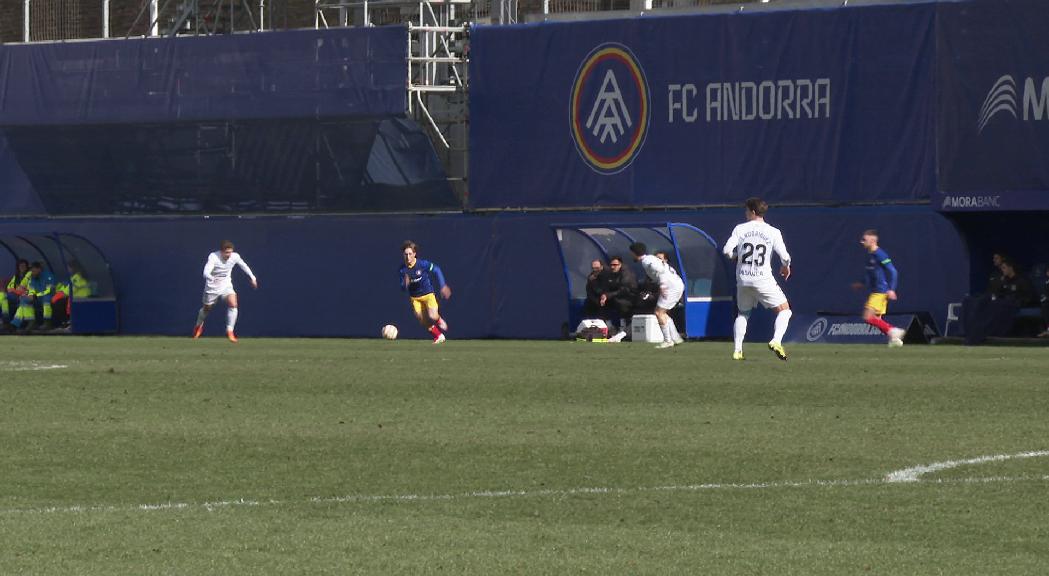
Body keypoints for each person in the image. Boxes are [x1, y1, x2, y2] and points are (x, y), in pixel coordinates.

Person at [722, 197, 792, 361]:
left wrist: (735, 257)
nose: (745, 213)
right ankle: (776, 341)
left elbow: (726, 251)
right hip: (762, 278)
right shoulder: (773, 231)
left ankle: (738, 350)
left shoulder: (740, 229)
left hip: (743, 279)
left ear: (753, 211)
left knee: (743, 314)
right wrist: (785, 265)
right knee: (785, 311)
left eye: (746, 210)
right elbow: (785, 256)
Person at [193, 240, 258, 343]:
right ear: (221, 251)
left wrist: (252, 277)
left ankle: (230, 331)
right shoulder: (213, 256)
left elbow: (243, 265)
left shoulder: (235, 256)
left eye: (230, 252)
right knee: (207, 309)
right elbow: (206, 271)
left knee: (233, 303)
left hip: (226, 286)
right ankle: (198, 325)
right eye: (226, 252)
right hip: (212, 287)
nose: (229, 255)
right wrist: (210, 278)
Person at [851, 229, 907, 347]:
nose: (861, 242)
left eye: (864, 239)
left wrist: (892, 289)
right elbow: (869, 274)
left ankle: (893, 330)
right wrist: (861, 283)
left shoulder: (880, 254)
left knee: (867, 317)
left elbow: (893, 271)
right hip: (875, 291)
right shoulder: (869, 255)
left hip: (880, 292)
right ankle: (895, 340)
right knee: (877, 320)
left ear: (872, 240)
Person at [629, 242, 684, 349]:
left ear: (634, 253)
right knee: (663, 312)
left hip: (670, 286)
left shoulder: (647, 260)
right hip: (677, 284)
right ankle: (676, 338)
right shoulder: (651, 258)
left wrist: (663, 286)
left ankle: (668, 341)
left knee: (659, 313)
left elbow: (660, 270)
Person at [399, 240, 451, 344]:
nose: (408, 257)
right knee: (423, 320)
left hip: (428, 294)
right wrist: (405, 283)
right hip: (415, 297)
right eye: (405, 254)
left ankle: (439, 320)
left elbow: (436, 269)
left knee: (432, 316)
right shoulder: (402, 270)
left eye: (410, 254)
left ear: (414, 254)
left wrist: (443, 285)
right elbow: (403, 288)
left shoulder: (422, 264)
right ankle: (439, 336)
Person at [12, 261, 55, 331]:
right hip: (37, 298)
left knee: (46, 300)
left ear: (39, 269)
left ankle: (47, 323)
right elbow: (31, 289)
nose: (32, 272)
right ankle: (30, 322)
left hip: (46, 296)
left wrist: (36, 295)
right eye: (31, 270)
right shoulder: (32, 277)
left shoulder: (48, 276)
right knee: (24, 300)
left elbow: (49, 290)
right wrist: (29, 295)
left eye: (34, 270)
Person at [604, 256, 637, 342]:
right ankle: (610, 328)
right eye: (611, 265)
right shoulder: (610, 274)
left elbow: (624, 290)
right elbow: (608, 287)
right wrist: (604, 296)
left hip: (630, 298)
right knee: (601, 303)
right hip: (618, 297)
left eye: (615, 265)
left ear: (620, 265)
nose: (612, 267)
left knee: (621, 303)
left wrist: (609, 295)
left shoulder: (626, 274)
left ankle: (623, 329)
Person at [2, 259, 30, 328]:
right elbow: (9, 288)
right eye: (20, 266)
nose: (22, 268)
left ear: (27, 267)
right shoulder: (16, 276)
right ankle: (5, 319)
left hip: (24, 297)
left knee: (21, 300)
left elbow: (27, 291)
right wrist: (15, 290)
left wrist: (15, 290)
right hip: (15, 297)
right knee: (2, 296)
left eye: (24, 266)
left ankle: (13, 324)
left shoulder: (29, 277)